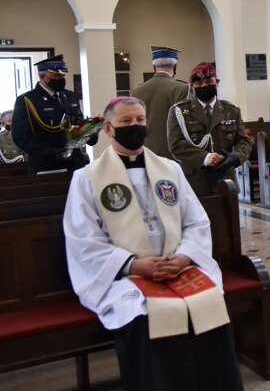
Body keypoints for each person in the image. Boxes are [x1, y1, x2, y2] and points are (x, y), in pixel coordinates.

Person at [63, 96, 243, 391]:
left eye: (139, 121)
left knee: (210, 303)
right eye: (125, 122)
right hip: (126, 275)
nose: (134, 126)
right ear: (108, 130)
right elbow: (82, 239)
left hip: (178, 267)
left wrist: (185, 257)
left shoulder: (169, 170)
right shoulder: (86, 178)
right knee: (142, 314)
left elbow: (196, 222)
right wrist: (134, 264)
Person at [167, 62, 252, 197]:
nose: (204, 86)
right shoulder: (179, 111)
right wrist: (205, 157)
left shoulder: (231, 110)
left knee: (228, 218)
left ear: (216, 82)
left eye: (208, 81)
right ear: (192, 86)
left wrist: (235, 157)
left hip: (226, 180)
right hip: (195, 183)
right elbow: (176, 145)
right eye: (199, 84)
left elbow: (244, 141)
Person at [12, 55, 97, 174]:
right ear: (43, 77)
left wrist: (90, 132)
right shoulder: (28, 100)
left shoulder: (70, 96)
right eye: (57, 75)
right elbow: (21, 137)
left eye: (63, 75)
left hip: (76, 164)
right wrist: (53, 154)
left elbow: (76, 124)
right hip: (47, 166)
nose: (61, 78)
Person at [131, 46, 190, 159]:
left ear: (154, 67)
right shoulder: (183, 88)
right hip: (175, 154)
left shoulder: (138, 91)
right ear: (175, 66)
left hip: (147, 154)